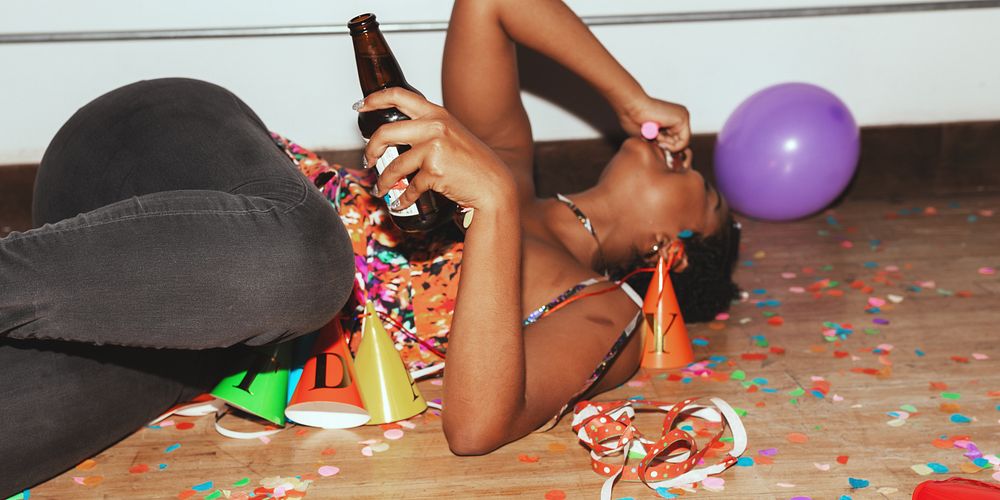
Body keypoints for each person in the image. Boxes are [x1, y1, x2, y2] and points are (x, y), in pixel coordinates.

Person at [0, 0, 738, 495]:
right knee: (305, 270)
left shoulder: (600, 311)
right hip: (148, 153)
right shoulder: (506, 155)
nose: (687, 158)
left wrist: (496, 207)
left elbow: (476, 427)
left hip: (157, 310)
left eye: (702, 191)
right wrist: (630, 96)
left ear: (669, 251)